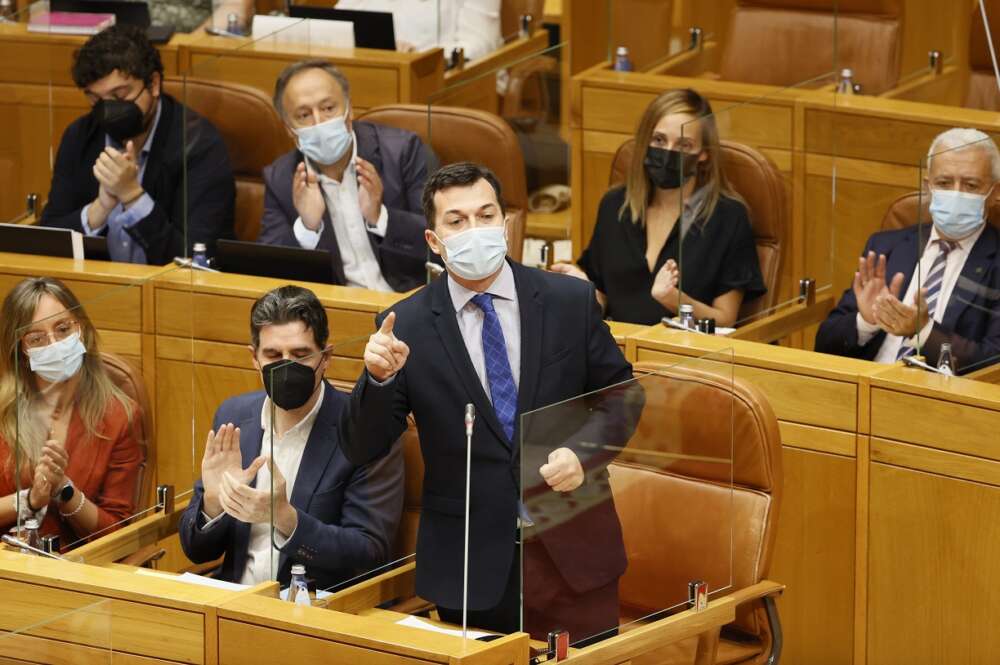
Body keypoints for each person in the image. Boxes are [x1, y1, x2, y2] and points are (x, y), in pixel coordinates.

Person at [339, 162, 637, 640]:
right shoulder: (405, 324)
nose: (474, 230)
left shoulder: (568, 301)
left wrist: (585, 453)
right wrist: (376, 380)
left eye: (485, 215)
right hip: (470, 564)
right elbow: (361, 446)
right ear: (435, 241)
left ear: (505, 224)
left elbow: (622, 395)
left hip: (573, 548)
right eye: (456, 221)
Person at [179, 285, 404, 589]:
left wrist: (286, 518)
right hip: (233, 603)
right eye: (272, 354)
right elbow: (197, 550)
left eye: (300, 354)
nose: (285, 366)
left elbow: (368, 553)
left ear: (326, 358)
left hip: (315, 612)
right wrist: (214, 503)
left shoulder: (366, 430)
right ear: (254, 358)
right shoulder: (233, 418)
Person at [552, 89, 766, 327]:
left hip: (683, 356)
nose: (668, 153)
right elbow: (603, 299)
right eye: (659, 140)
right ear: (645, 142)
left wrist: (675, 299)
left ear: (704, 154)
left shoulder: (727, 217)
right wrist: (582, 291)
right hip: (616, 349)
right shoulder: (616, 206)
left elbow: (726, 320)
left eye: (684, 145)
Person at [40, 25, 235, 265]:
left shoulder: (198, 145)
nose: (108, 111)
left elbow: (195, 259)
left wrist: (131, 195)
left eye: (120, 96)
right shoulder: (80, 136)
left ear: (153, 84)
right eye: (96, 99)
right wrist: (99, 209)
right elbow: (49, 237)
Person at [816, 128, 1000, 374]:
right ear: (929, 186)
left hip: (945, 403)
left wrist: (923, 331)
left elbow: (993, 362)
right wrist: (866, 321)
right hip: (869, 387)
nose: (956, 193)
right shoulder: (885, 247)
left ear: (995, 192)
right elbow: (824, 346)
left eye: (970, 185)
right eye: (944, 183)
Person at [260, 60, 434, 292]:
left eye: (328, 108)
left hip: (407, 301)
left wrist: (381, 218)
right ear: (289, 129)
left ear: (349, 109)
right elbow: (267, 271)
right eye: (304, 115)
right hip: (336, 310)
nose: (319, 122)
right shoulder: (281, 178)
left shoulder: (402, 151)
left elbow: (442, 241)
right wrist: (307, 228)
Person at [0, 278, 142, 545]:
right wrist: (30, 499)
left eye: (63, 329)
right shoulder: (3, 411)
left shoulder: (118, 416)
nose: (54, 344)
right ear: (21, 349)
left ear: (82, 330)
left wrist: (65, 490)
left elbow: (119, 533)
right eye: (36, 338)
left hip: (79, 569)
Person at [335, 0, 503, 61]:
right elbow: (336, 24)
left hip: (444, 82)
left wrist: (420, 59)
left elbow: (479, 45)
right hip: (376, 72)